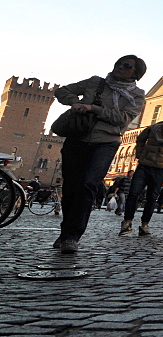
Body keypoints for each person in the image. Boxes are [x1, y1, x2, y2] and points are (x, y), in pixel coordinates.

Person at [52, 55, 147, 254]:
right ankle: (65, 231)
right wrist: (75, 103)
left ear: (135, 73)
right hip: (77, 138)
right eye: (119, 63)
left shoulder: (137, 96)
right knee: (70, 188)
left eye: (127, 66)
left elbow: (121, 119)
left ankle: (72, 236)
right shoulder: (96, 82)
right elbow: (62, 91)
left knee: (88, 185)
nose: (121, 67)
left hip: (106, 142)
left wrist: (93, 108)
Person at [119, 111, 163, 237]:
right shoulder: (152, 129)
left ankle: (145, 225)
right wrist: (139, 154)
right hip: (144, 166)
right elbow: (140, 140)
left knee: (152, 197)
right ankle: (127, 222)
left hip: (160, 168)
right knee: (133, 193)